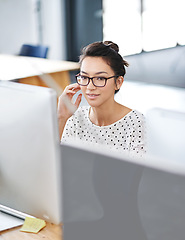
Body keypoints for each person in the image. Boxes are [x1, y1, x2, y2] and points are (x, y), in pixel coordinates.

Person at [57, 41, 146, 158]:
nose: (90, 87)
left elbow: (138, 174)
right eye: (84, 77)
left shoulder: (136, 123)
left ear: (118, 82)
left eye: (100, 78)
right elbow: (57, 165)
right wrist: (61, 117)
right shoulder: (75, 119)